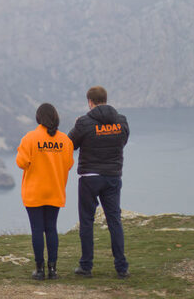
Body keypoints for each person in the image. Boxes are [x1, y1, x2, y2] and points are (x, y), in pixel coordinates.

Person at [68, 86, 130, 279]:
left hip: (89, 177)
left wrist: (77, 126)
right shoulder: (121, 121)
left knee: (87, 221)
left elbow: (70, 144)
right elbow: (122, 141)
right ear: (105, 99)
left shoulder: (84, 123)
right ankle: (121, 267)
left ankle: (86, 266)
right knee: (114, 220)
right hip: (112, 176)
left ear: (90, 102)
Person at [16, 103, 74, 280]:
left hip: (34, 192)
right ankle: (53, 270)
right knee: (51, 229)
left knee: (37, 230)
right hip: (55, 190)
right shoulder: (65, 140)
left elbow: (21, 163)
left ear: (38, 118)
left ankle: (39, 269)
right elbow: (69, 164)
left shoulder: (30, 138)